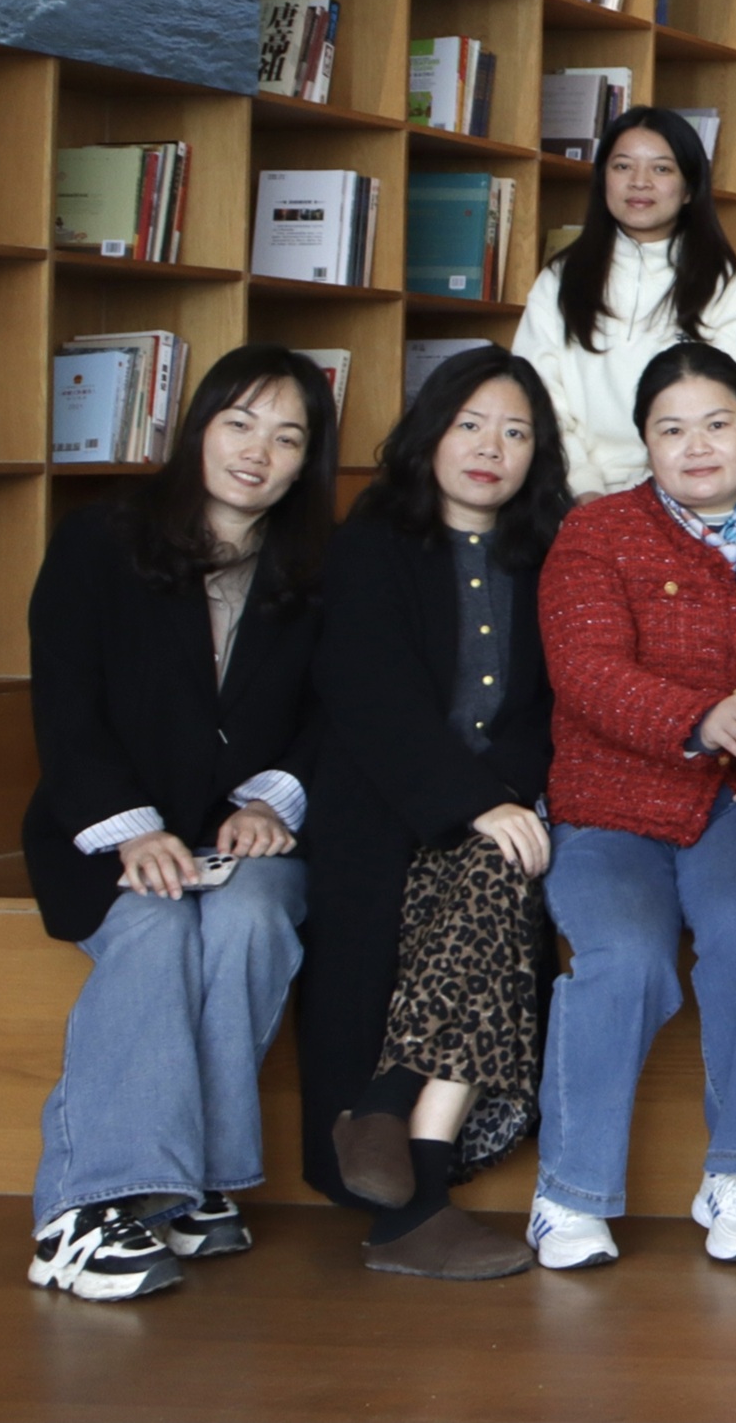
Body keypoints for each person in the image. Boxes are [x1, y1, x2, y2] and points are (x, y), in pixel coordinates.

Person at [20, 351, 334, 1302]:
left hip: (249, 835)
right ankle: (86, 1210)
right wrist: (130, 830)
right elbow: (65, 703)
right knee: (155, 926)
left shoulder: (321, 567)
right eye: (240, 423)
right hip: (106, 826)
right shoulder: (100, 539)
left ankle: (193, 1184)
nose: (258, 452)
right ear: (199, 426)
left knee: (250, 919)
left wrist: (272, 801)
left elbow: (338, 710)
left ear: (307, 462)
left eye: (287, 438)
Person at [530, 344, 736, 1277]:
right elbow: (585, 672)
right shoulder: (597, 532)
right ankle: (569, 1193)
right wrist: (700, 716)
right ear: (645, 443)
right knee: (626, 957)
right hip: (613, 804)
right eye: (672, 429)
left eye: (718, 424)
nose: (698, 447)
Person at [307, 349, 567, 1282]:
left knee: (502, 869)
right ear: (430, 433)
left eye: (515, 432)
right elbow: (368, 696)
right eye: (470, 425)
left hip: (498, 808)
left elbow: (548, 707)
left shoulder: (550, 550)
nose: (491, 448)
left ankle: (390, 1114)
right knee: (497, 873)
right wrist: (472, 802)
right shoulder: (373, 541)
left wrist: (498, 800)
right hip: (385, 807)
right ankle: (414, 1194)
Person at [514, 108, 736, 500]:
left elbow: (729, 409)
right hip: (570, 493)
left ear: (689, 188)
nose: (639, 182)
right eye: (623, 166)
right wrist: (583, 487)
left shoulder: (726, 284)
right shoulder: (560, 279)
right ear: (603, 180)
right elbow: (538, 396)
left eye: (661, 169)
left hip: (687, 492)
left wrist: (651, 500)